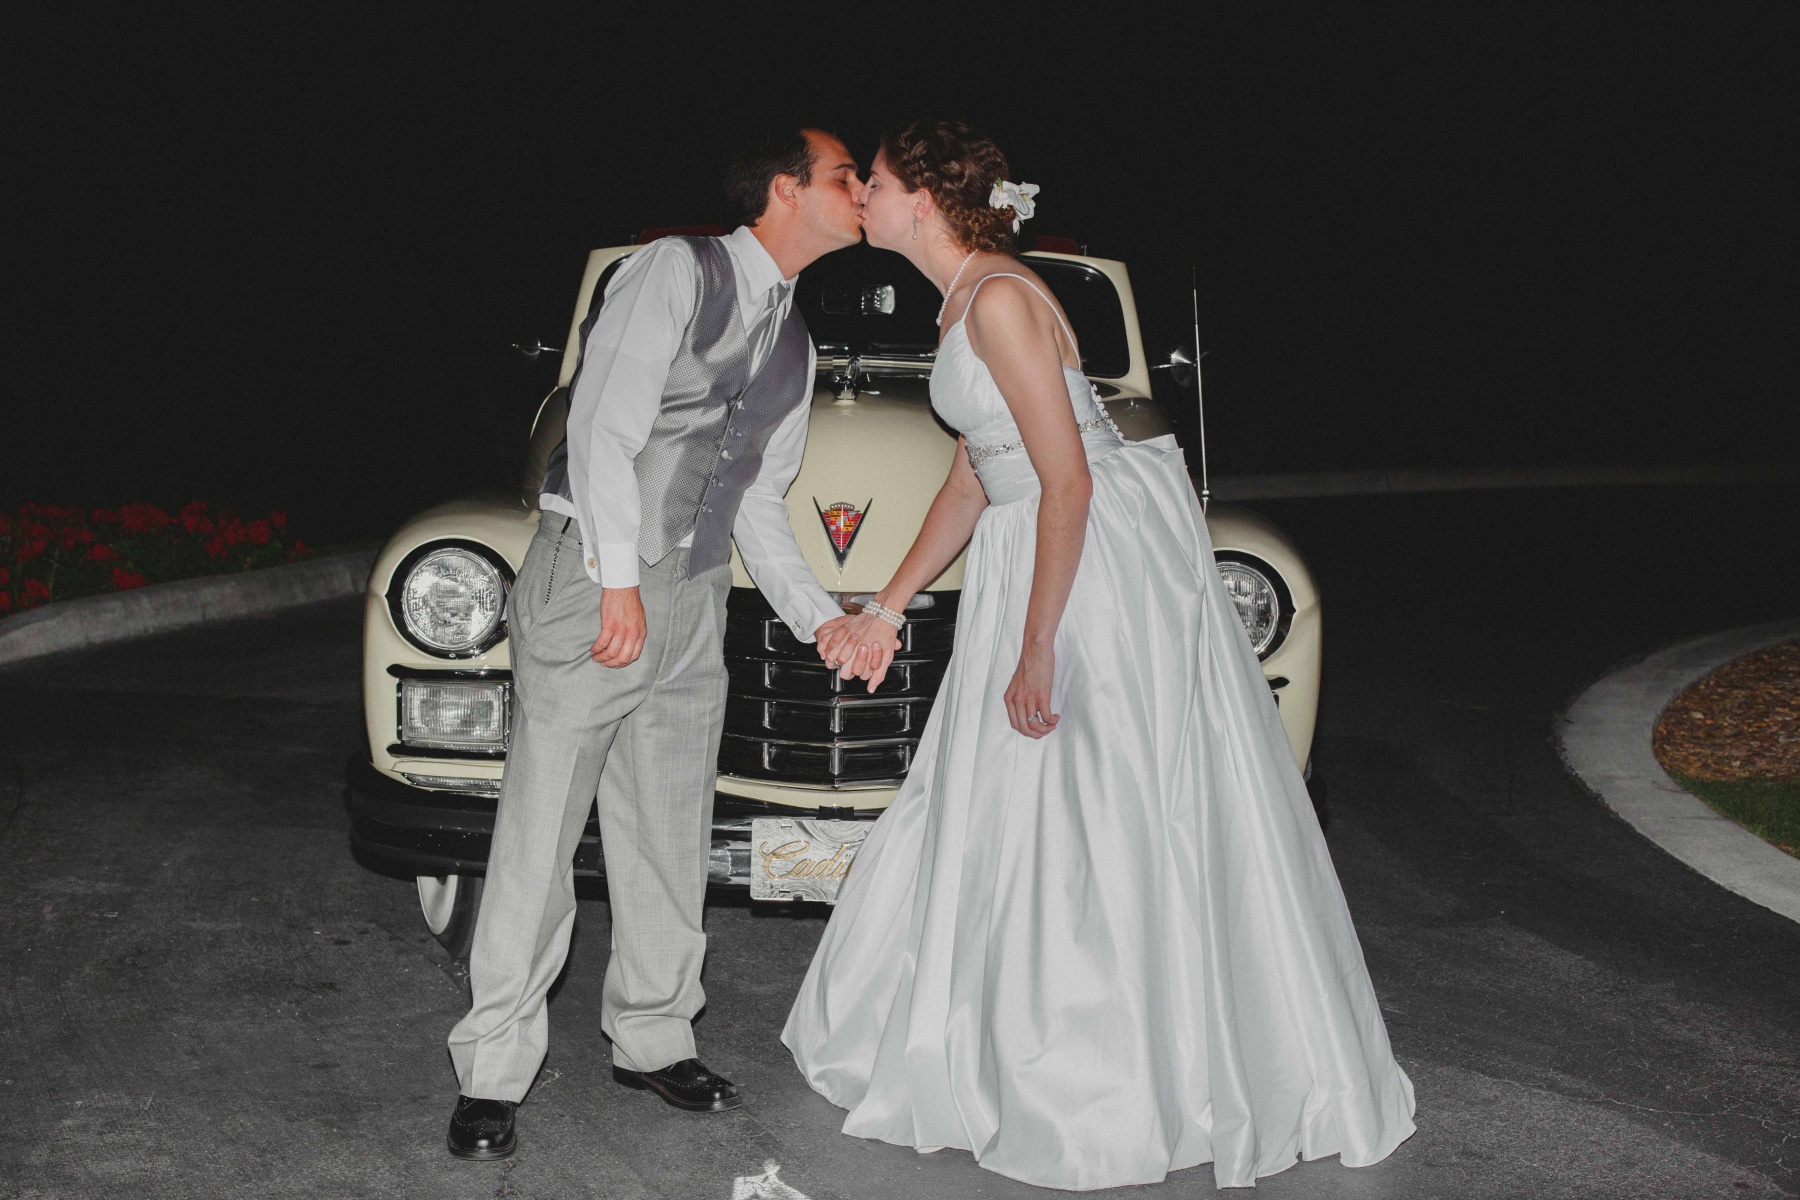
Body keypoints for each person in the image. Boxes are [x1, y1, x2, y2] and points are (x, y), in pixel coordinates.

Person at [783, 119, 1417, 1191]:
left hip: (1083, 568)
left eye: (875, 183)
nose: (863, 198)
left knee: (1091, 800)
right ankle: (996, 1044)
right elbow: (975, 473)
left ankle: (1110, 1077)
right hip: (1029, 540)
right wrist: (885, 605)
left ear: (922, 201)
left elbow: (1068, 482)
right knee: (1011, 800)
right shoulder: (962, 297)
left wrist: (1038, 648)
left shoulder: (997, 298)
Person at [444, 129, 865, 1160]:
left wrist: (817, 615)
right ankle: (493, 1069)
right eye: (844, 176)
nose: (861, 190)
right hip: (598, 578)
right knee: (542, 831)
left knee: (670, 829)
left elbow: (758, 497)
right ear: (785, 190)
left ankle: (654, 1037)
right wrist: (619, 583)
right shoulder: (677, 269)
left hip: (696, 594)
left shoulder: (796, 335)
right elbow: (603, 427)